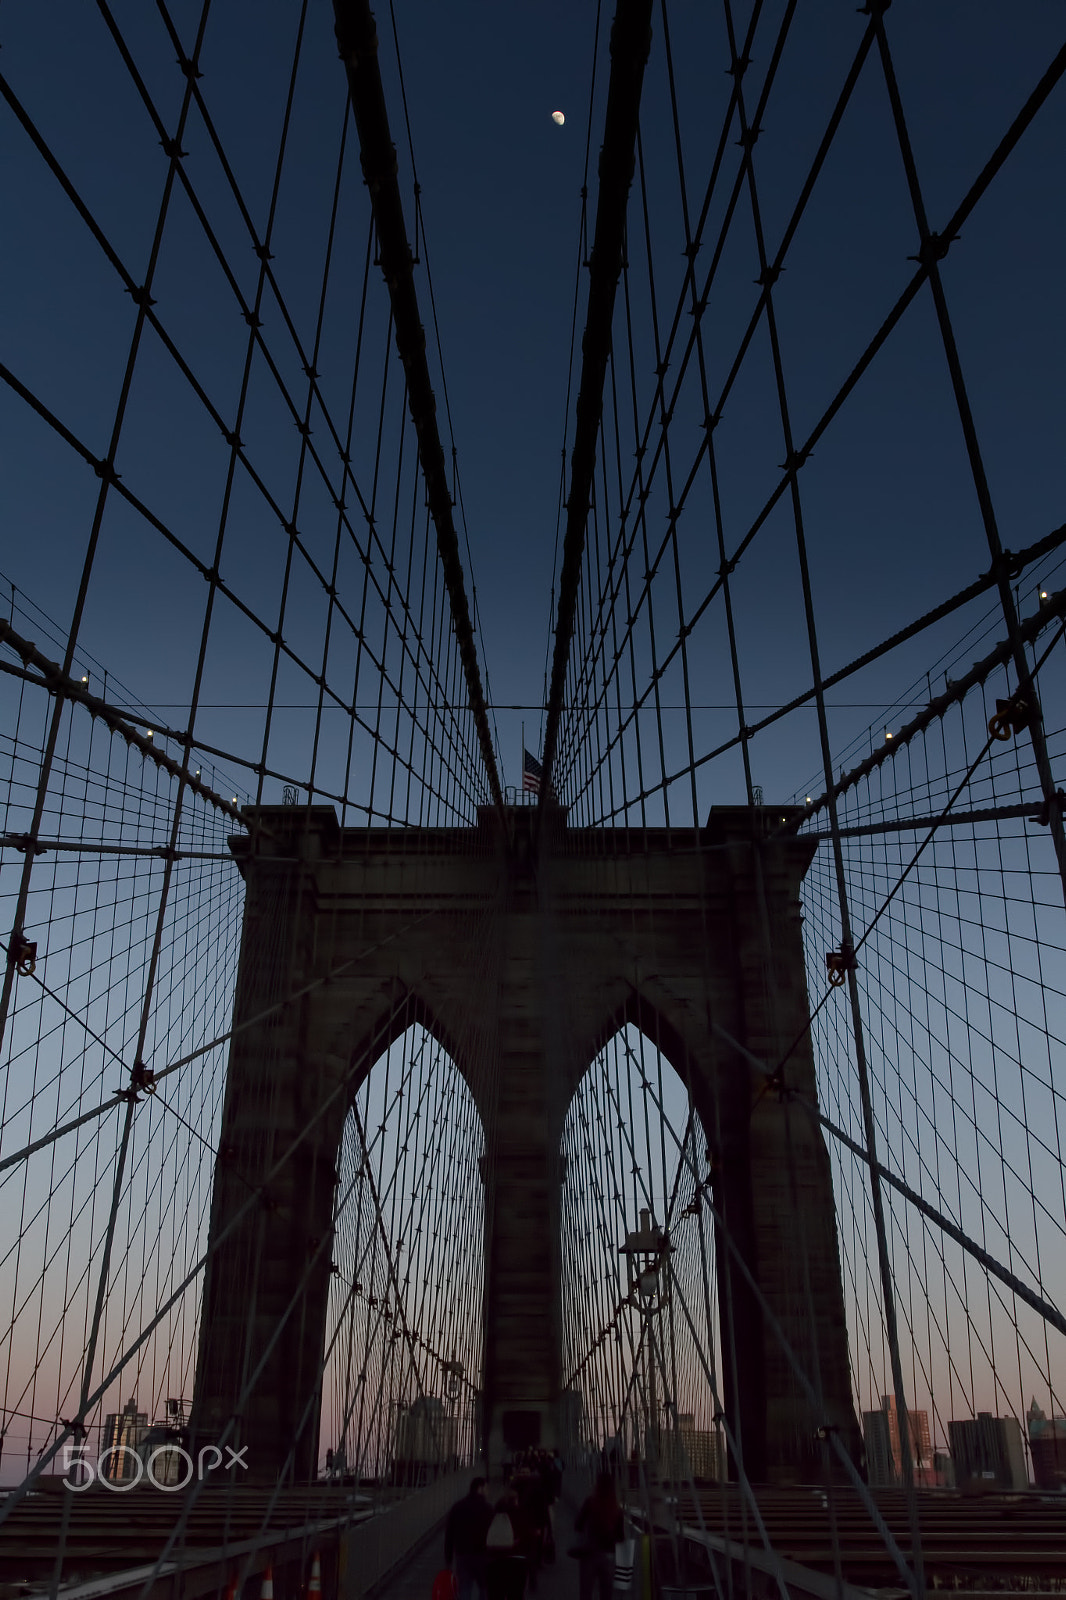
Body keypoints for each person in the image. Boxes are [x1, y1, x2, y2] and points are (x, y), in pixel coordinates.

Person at [573, 1473, 624, 1600]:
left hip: (589, 1553)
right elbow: (620, 1536)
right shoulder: (616, 1508)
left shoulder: (590, 1502)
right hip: (608, 1556)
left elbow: (578, 1525)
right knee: (606, 1594)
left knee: (586, 1593)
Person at [446, 1477, 493, 1600]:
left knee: (465, 1588)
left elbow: (449, 1534)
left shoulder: (457, 1507)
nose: (488, 1492)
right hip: (483, 1555)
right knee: (484, 1588)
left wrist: (448, 1558)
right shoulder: (488, 1509)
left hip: (462, 1554)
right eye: (486, 1488)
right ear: (480, 1488)